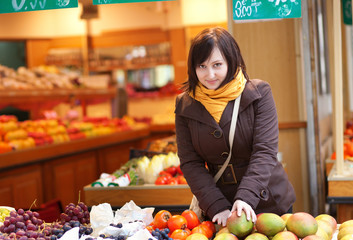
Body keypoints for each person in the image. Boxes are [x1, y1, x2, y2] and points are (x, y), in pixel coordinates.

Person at [174, 27, 296, 227]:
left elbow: (264, 152)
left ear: (232, 61)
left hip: (268, 203)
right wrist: (216, 204)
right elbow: (190, 163)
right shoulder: (185, 105)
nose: (210, 74)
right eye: (202, 66)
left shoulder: (259, 93)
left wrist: (246, 196)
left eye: (217, 65)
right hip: (221, 209)